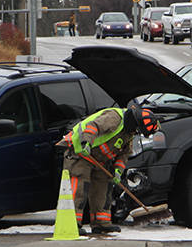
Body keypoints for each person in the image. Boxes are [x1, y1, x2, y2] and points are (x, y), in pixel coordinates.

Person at [59, 100, 159, 234]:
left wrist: (117, 172)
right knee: (80, 186)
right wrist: (86, 143)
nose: (136, 133)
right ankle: (73, 223)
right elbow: (93, 126)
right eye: (137, 130)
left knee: (103, 188)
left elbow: (123, 155)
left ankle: (101, 222)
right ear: (135, 122)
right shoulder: (114, 118)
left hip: (99, 160)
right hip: (80, 152)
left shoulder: (129, 132)